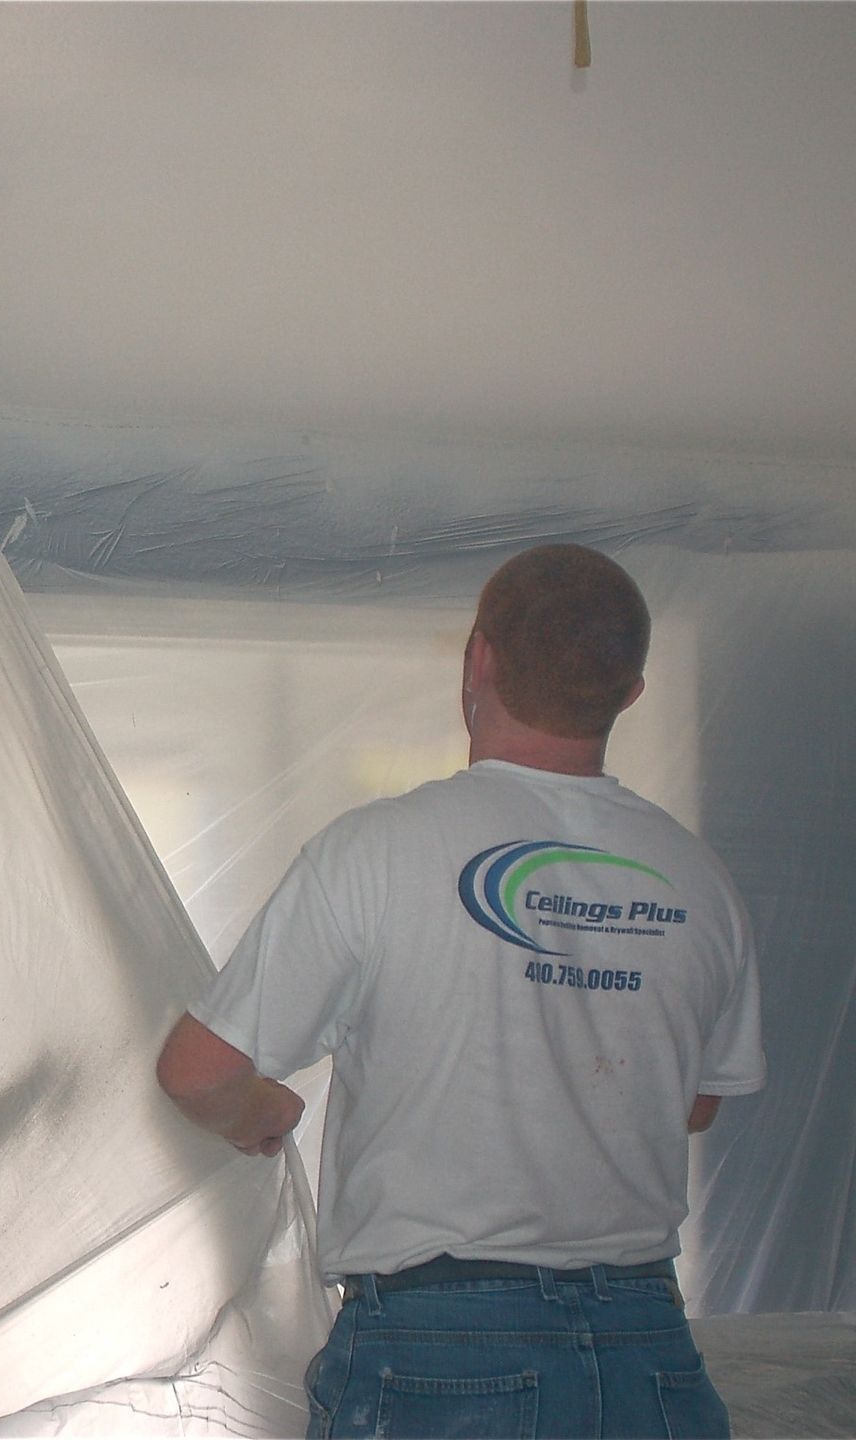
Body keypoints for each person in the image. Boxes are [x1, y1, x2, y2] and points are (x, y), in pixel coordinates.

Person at [155, 543, 765, 1439]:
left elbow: (196, 1072)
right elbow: (700, 1103)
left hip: (442, 1347)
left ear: (477, 658)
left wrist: (260, 1115)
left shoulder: (379, 851)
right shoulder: (699, 880)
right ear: (629, 691)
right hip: (646, 1346)